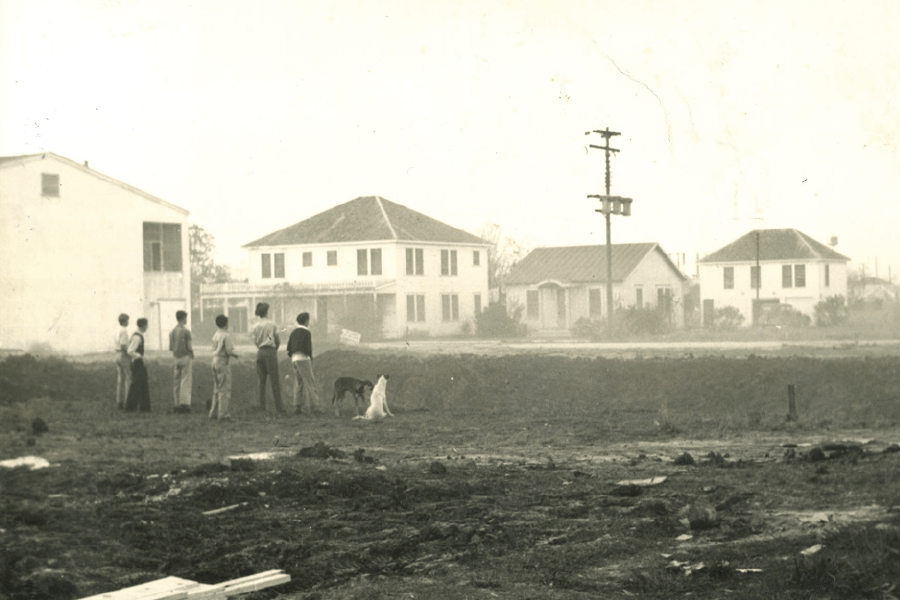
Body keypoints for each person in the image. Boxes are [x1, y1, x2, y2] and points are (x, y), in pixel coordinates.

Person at [251, 302, 285, 413]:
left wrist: (261, 347)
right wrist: (275, 349)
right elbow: (277, 339)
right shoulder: (272, 324)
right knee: (274, 381)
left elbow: (255, 341)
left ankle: (262, 407)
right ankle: (279, 408)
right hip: (270, 352)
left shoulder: (255, 326)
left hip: (260, 352)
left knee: (261, 382)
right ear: (266, 312)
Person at [286, 312, 321, 414]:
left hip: (294, 359)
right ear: (306, 321)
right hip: (303, 359)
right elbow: (308, 348)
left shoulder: (293, 332)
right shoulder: (306, 332)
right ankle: (315, 407)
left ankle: (297, 407)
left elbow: (289, 348)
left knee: (299, 383)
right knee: (310, 382)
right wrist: (310, 358)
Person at [210, 314, 238, 420]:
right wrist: (238, 355)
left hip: (214, 360)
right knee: (224, 389)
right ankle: (223, 414)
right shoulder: (226, 335)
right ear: (226, 324)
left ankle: (213, 412)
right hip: (222, 362)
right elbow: (229, 351)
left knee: (217, 388)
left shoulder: (216, 334)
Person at [169, 310, 194, 413]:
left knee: (177, 381)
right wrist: (192, 353)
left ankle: (177, 403)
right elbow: (189, 346)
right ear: (183, 318)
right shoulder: (186, 332)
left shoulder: (172, 331)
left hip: (176, 357)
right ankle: (185, 404)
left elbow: (171, 347)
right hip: (185, 357)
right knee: (186, 380)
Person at [124, 318, 151, 412]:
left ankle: (145, 408)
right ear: (143, 326)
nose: (147, 327)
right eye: (147, 325)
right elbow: (130, 351)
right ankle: (130, 408)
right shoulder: (137, 337)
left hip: (139, 362)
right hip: (137, 363)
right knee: (136, 385)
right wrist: (140, 356)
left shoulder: (138, 335)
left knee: (143, 384)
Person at [114, 313, 131, 409]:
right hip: (123, 354)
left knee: (120, 379)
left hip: (116, 354)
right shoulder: (124, 331)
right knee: (128, 378)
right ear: (125, 321)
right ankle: (127, 401)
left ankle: (119, 401)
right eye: (127, 320)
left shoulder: (116, 330)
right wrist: (130, 355)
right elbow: (124, 345)